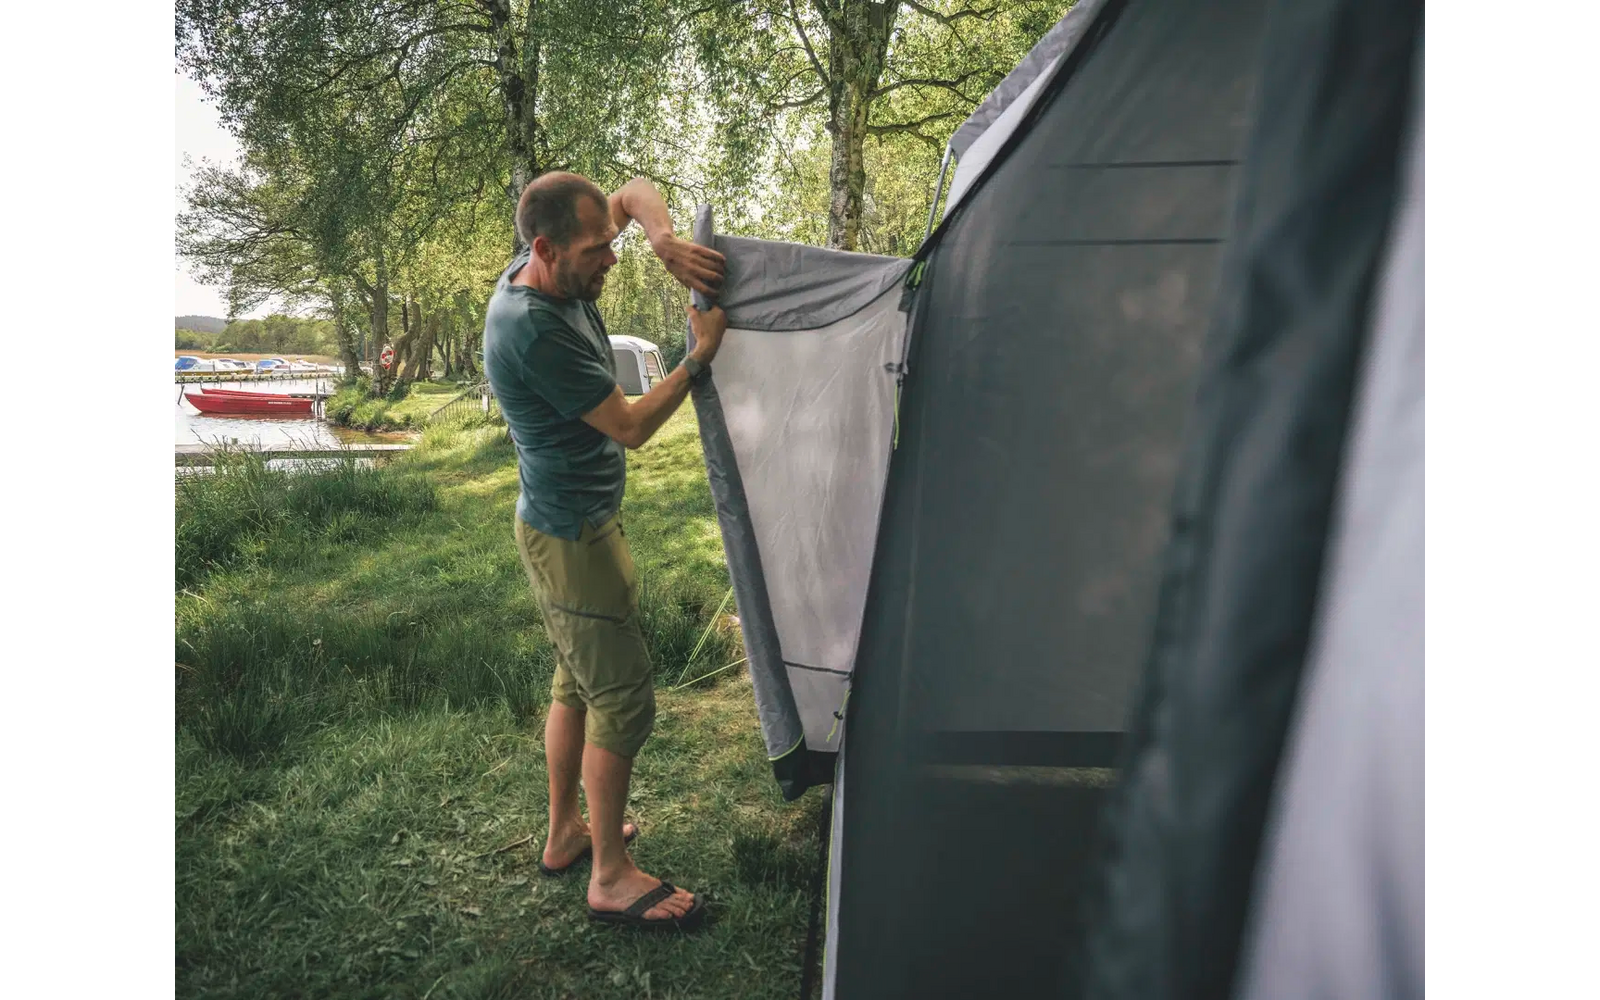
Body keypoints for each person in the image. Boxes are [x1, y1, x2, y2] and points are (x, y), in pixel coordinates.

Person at [482, 172, 728, 929]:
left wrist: (662, 239)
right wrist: (697, 356)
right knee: (621, 700)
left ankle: (566, 834)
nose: (611, 260)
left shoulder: (545, 266)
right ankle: (611, 878)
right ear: (546, 249)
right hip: (571, 536)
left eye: (610, 243)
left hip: (567, 523)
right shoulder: (534, 329)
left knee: (576, 685)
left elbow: (630, 189)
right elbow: (629, 426)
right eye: (597, 251)